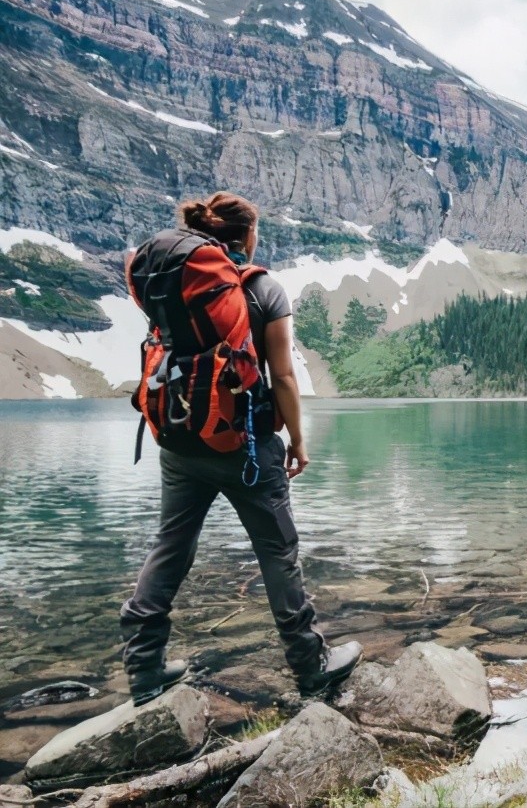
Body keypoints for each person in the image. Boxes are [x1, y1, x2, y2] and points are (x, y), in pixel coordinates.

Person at [120, 191, 361, 705]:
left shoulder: (172, 285)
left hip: (180, 442)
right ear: (246, 236)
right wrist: (297, 440)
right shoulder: (262, 290)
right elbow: (285, 377)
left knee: (171, 546)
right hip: (245, 448)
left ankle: (143, 672)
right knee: (278, 553)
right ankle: (310, 665)